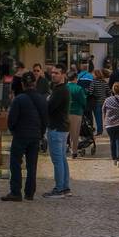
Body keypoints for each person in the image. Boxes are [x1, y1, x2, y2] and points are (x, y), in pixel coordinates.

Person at [2, 73, 45, 202]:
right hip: (35, 136)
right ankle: (30, 193)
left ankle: (16, 192)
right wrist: (40, 133)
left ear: (22, 84)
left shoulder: (19, 99)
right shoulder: (42, 99)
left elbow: (11, 120)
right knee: (32, 165)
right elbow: (45, 119)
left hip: (20, 135)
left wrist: (14, 131)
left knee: (15, 163)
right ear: (35, 83)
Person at [42, 66, 72, 198]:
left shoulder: (60, 91)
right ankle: (65, 187)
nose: (53, 75)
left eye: (57, 73)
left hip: (56, 128)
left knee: (57, 160)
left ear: (63, 75)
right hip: (62, 128)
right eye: (52, 73)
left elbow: (48, 107)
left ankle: (59, 189)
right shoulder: (61, 89)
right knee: (62, 159)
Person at [65, 70, 87, 156]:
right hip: (76, 113)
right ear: (75, 78)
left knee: (63, 132)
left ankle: (62, 149)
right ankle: (74, 151)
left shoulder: (64, 87)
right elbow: (83, 101)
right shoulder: (79, 88)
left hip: (64, 112)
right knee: (74, 134)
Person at [88, 68, 110, 136]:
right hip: (104, 101)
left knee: (98, 117)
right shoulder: (104, 82)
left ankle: (99, 131)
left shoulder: (93, 82)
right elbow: (109, 92)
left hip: (96, 102)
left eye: (93, 74)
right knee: (104, 117)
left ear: (96, 75)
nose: (92, 75)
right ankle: (106, 129)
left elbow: (90, 92)